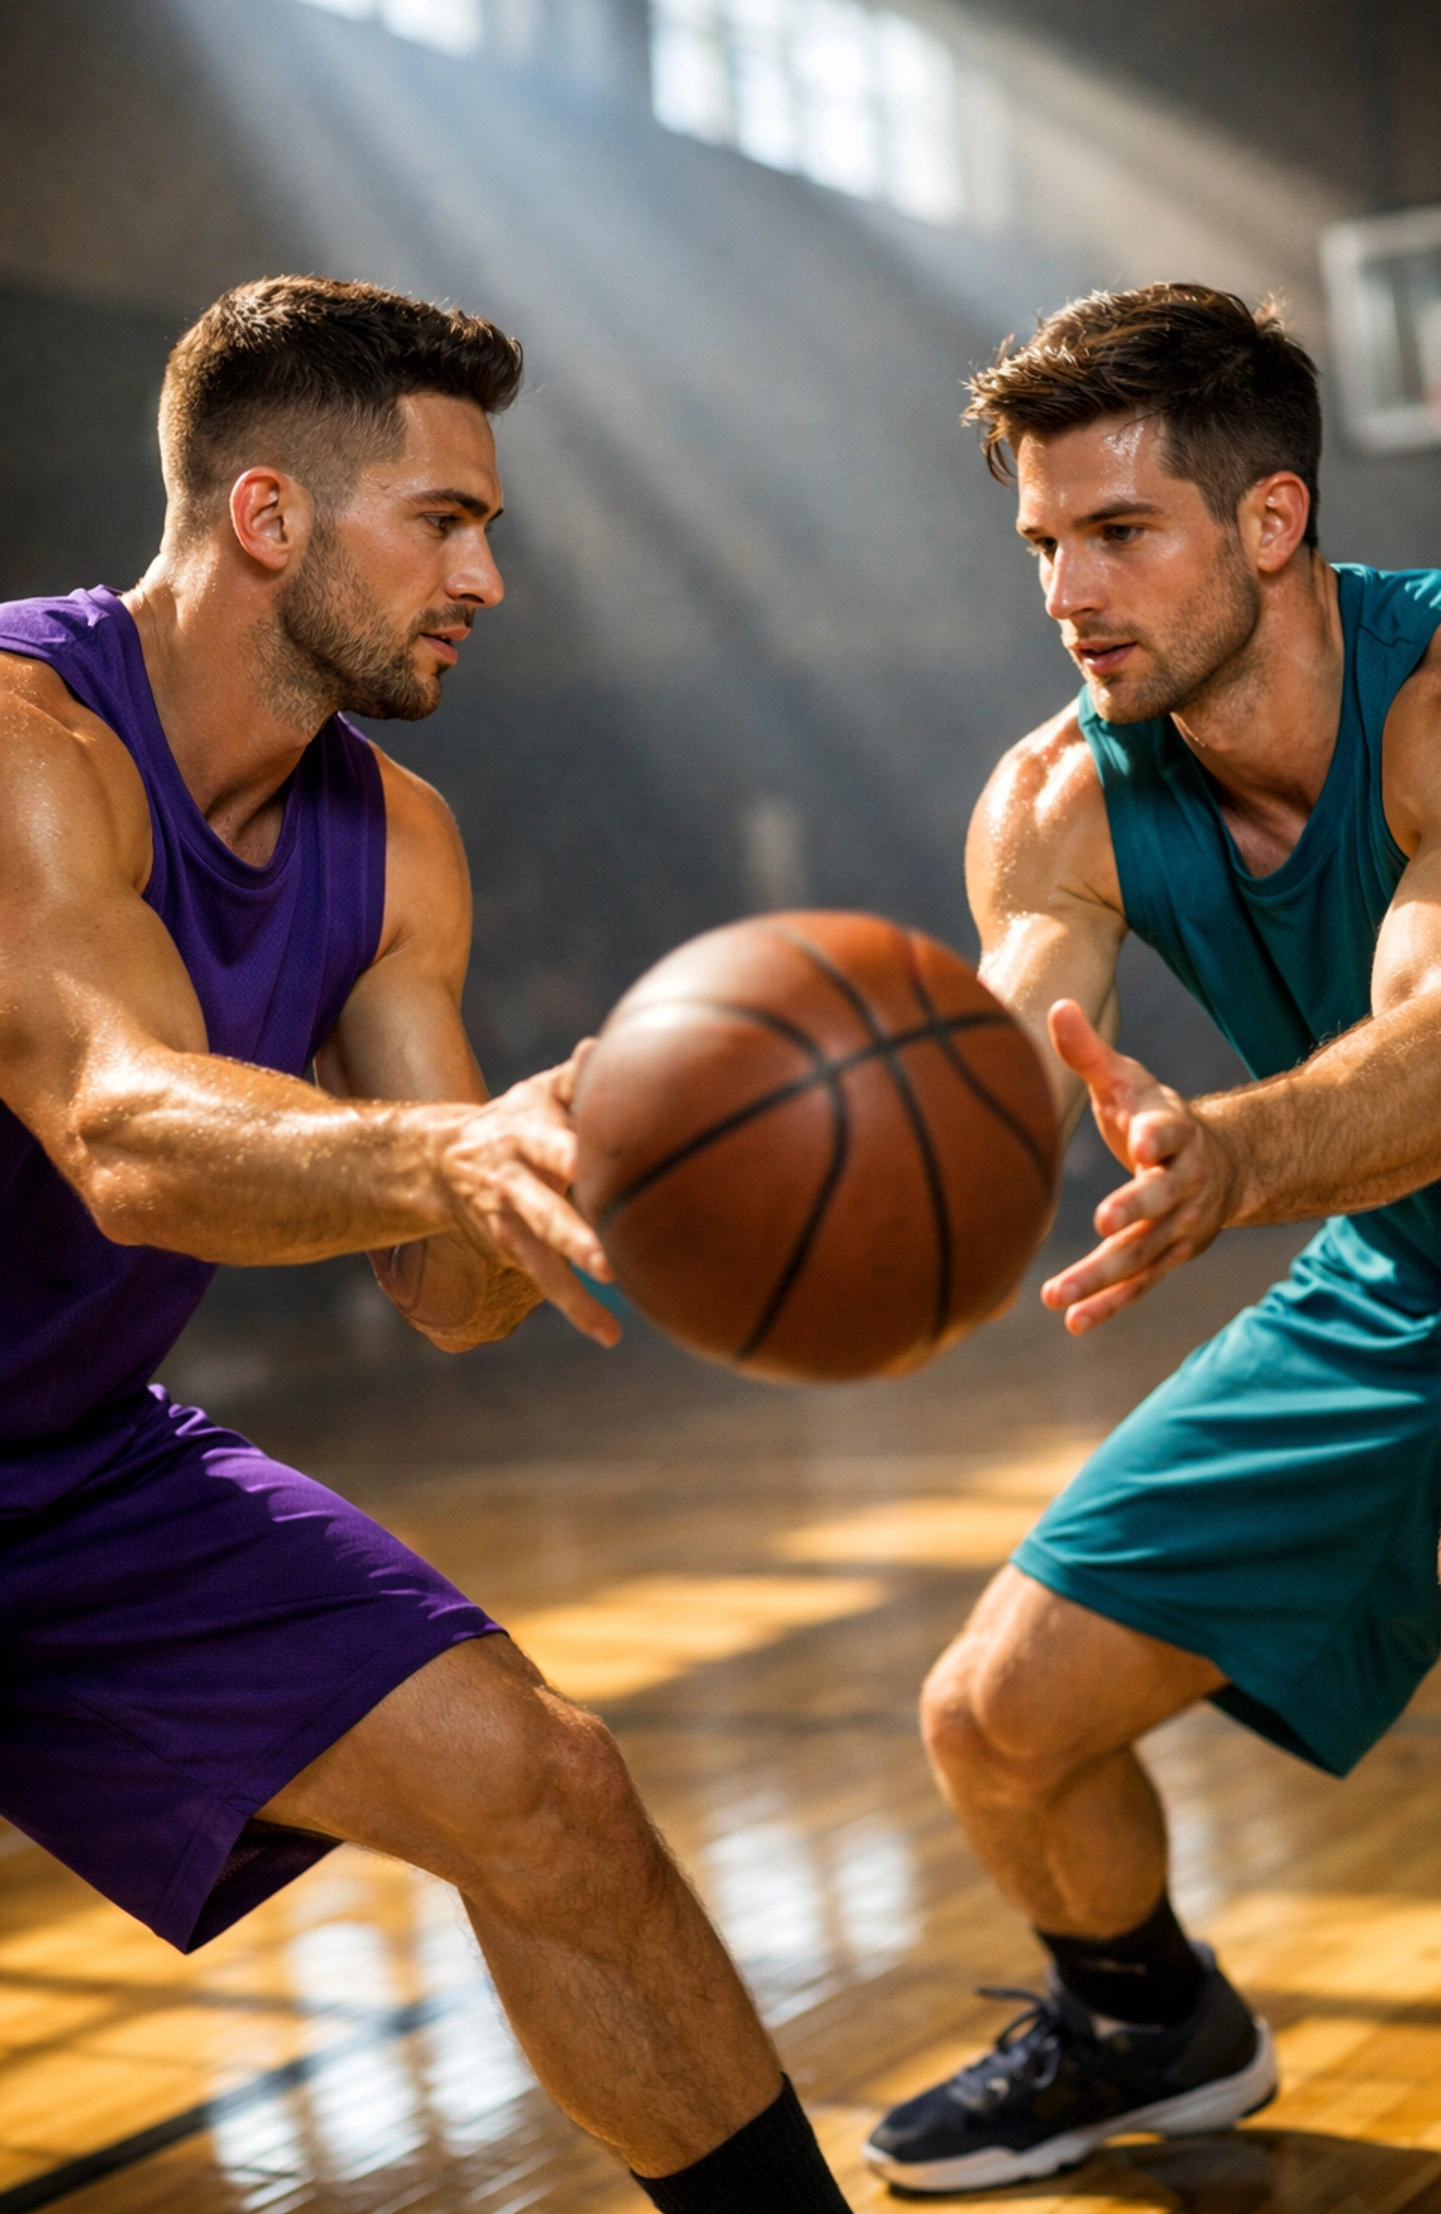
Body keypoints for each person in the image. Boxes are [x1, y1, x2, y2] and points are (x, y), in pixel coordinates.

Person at [0, 275, 854, 2214]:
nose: (486, 579)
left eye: (489, 529)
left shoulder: (395, 840)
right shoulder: (24, 744)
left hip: (67, 1461)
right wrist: (450, 1150)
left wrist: (583, 1150)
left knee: (546, 1791)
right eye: (445, 522)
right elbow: (126, 1134)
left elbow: (453, 1293)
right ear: (271, 519)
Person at [865, 282, 1441, 2195]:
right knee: (999, 1724)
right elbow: (1005, 1037)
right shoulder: (1059, 792)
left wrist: (1225, 1157)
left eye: (1120, 534)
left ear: (1269, 521)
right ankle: (1148, 2030)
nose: (1070, 590)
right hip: (1403, 1271)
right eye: (1044, 544)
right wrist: (798, 1151)